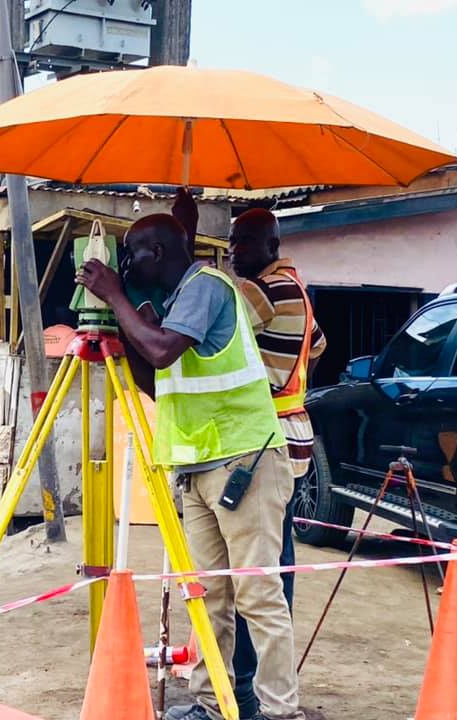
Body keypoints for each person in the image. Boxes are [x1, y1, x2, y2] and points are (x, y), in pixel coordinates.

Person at [77, 214, 304, 720]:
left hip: (243, 459)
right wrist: (119, 327)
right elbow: (158, 379)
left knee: (257, 594)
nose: (128, 265)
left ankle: (280, 710)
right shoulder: (179, 302)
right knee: (208, 596)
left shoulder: (207, 287)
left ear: (155, 252)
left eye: (132, 255)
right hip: (200, 464)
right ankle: (212, 703)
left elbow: (161, 352)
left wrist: (115, 296)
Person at [227, 208, 327, 718]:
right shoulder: (298, 288)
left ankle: (252, 690)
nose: (233, 252)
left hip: (268, 436)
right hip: (297, 434)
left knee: (256, 576)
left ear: (270, 243)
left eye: (242, 243)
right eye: (231, 242)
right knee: (277, 563)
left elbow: (208, 321)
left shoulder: (261, 290)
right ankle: (263, 686)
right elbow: (319, 346)